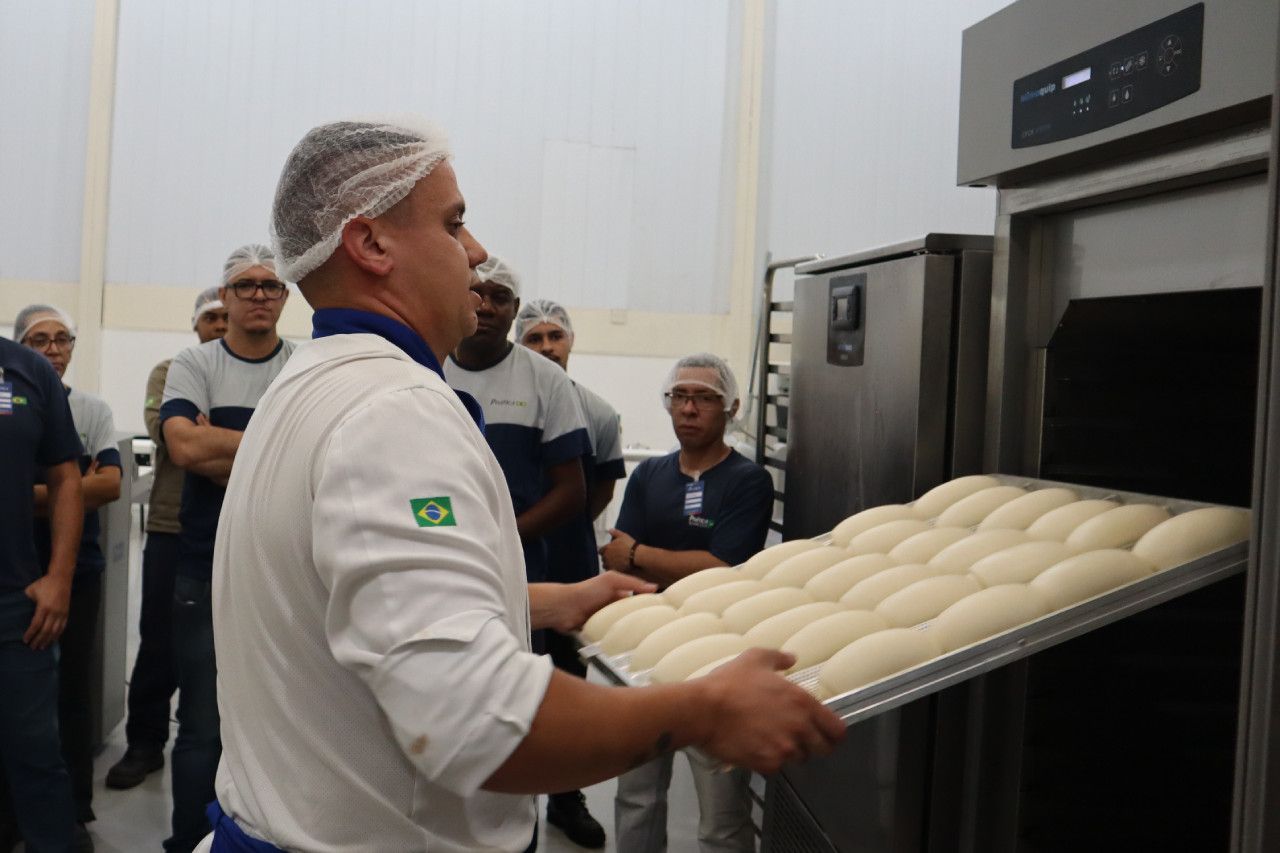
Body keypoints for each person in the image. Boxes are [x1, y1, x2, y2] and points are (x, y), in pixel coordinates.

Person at [198, 116, 842, 853]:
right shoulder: (392, 413)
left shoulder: (305, 384)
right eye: (455, 223)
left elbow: (353, 603)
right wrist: (704, 710)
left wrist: (544, 599)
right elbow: (478, 725)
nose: (475, 252)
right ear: (371, 243)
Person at [601, 353, 774, 853]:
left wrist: (641, 554)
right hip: (643, 647)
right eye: (680, 397)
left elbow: (724, 570)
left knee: (720, 816)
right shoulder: (650, 475)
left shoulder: (747, 482)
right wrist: (657, 560)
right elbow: (615, 560)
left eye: (703, 398)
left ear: (731, 407)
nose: (689, 409)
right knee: (637, 797)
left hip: (714, 654)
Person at [160, 246, 294, 853]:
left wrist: (225, 445)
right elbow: (184, 449)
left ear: (286, 296)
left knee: (287, 721)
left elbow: (317, 454)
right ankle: (190, 839)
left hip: (288, 572)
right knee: (201, 726)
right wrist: (274, 445)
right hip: (204, 564)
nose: (259, 294)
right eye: (246, 285)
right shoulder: (194, 362)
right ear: (225, 296)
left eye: (271, 285)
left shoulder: (304, 366)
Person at [106, 288, 228, 791]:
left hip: (239, 529)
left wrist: (211, 434)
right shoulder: (171, 371)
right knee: (160, 641)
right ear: (196, 324)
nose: (221, 324)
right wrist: (237, 443)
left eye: (227, 316)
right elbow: (176, 444)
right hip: (172, 527)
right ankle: (144, 743)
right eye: (212, 317)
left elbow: (207, 445)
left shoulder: (272, 368)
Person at [517, 298, 626, 848]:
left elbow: (595, 493)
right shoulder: (510, 400)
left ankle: (566, 799)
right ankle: (513, 803)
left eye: (554, 336)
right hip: (514, 563)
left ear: (570, 341)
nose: (545, 348)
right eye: (533, 339)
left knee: (566, 683)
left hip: (570, 564)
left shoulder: (599, 413)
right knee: (511, 681)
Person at [16, 304, 124, 849]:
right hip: (20, 571)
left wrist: (27, 498)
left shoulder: (90, 409)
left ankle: (75, 807)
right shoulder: (16, 400)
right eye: (40, 340)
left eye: (62, 339)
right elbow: (88, 483)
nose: (53, 349)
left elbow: (109, 485)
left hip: (73, 572)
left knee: (70, 693)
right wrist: (66, 492)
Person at [444, 257, 591, 596]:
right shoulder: (426, 367)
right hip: (439, 558)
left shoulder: (547, 378)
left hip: (519, 569)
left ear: (516, 309)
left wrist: (502, 537)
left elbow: (572, 493)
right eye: (476, 293)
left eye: (500, 297)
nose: (487, 307)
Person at [0, 334, 84, 852]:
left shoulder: (27, 372)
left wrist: (59, 577)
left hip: (15, 606)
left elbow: (66, 477)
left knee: (36, 756)